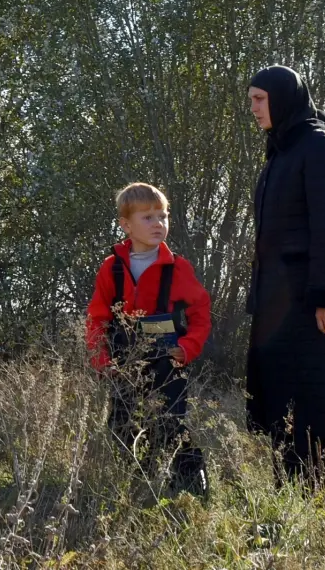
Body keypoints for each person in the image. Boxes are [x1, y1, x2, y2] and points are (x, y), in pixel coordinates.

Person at [245, 65, 325, 479]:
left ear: (282, 97)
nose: (253, 108)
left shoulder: (319, 146)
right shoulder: (280, 152)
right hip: (279, 303)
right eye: (252, 99)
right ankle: (291, 487)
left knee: (321, 397)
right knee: (282, 397)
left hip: (313, 304)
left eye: (259, 99)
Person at [86, 182, 211, 496]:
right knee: (121, 423)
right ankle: (132, 485)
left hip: (168, 359)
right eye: (148, 217)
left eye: (163, 216)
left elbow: (200, 312)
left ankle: (189, 486)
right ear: (126, 225)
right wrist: (101, 359)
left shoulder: (178, 268)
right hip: (123, 361)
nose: (159, 224)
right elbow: (97, 318)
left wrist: (188, 347)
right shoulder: (111, 268)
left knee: (171, 422)